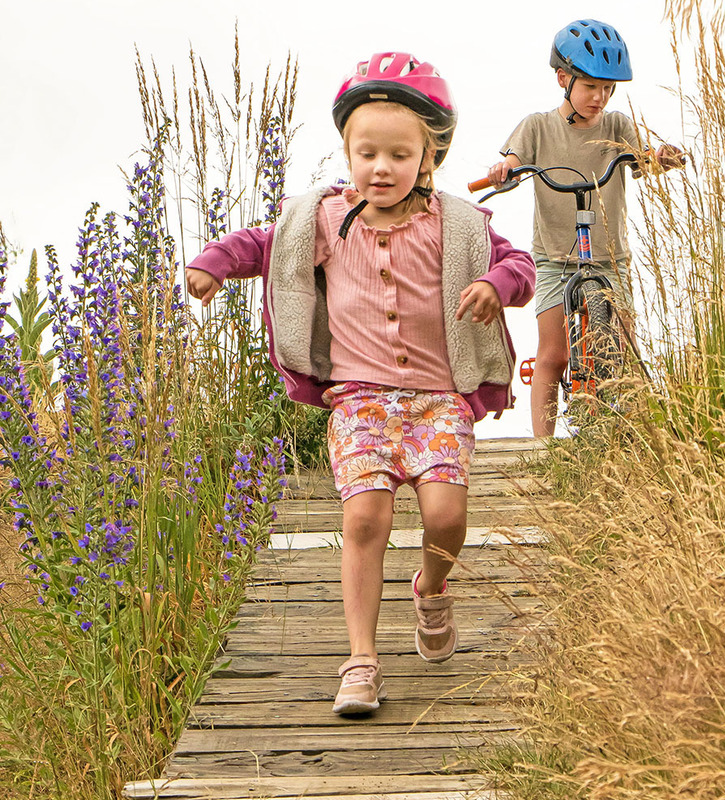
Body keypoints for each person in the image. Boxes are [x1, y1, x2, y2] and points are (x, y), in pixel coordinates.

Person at [185, 52, 536, 715]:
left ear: (428, 158)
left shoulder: (456, 224)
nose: (381, 167)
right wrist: (212, 263)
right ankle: (361, 660)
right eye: (366, 151)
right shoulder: (322, 219)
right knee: (366, 517)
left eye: (399, 154)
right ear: (346, 150)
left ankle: (431, 590)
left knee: (446, 515)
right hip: (360, 399)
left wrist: (496, 283)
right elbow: (261, 246)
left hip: (437, 397)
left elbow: (517, 262)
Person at [486, 19, 683, 438]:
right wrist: (504, 168)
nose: (600, 97)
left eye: (609, 89)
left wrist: (661, 156)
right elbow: (511, 160)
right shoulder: (537, 126)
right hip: (556, 258)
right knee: (553, 355)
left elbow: (643, 157)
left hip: (610, 258)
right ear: (563, 77)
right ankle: (544, 450)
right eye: (591, 86)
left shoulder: (616, 127)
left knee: (625, 349)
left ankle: (631, 443)